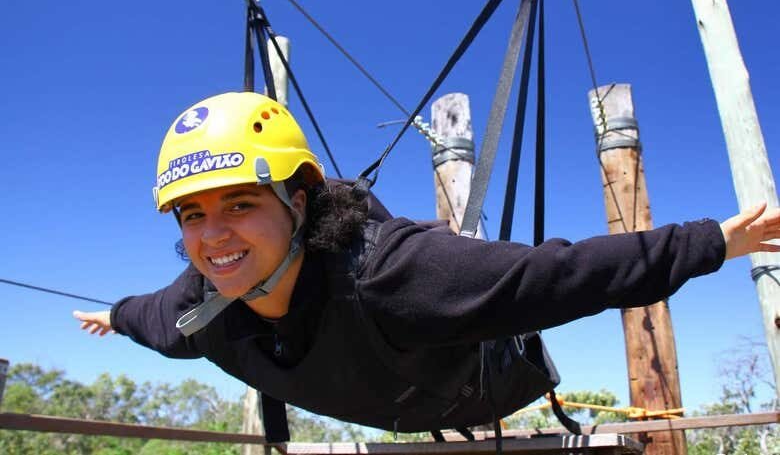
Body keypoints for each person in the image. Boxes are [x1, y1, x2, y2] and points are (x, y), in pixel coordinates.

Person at [74, 91, 780, 438]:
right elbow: (146, 317)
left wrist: (717, 240)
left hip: (480, 381)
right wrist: (111, 315)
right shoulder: (197, 309)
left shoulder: (394, 274)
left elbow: (560, 276)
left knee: (481, 276)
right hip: (396, 392)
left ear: (297, 200)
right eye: (193, 214)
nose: (213, 234)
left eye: (238, 204)